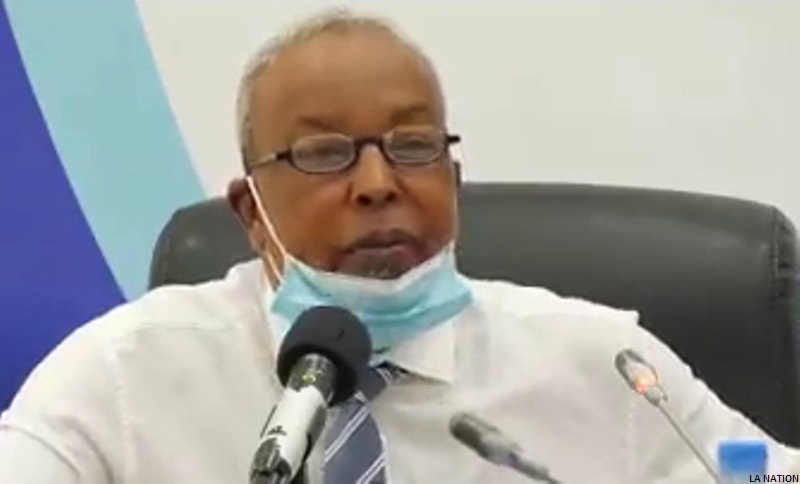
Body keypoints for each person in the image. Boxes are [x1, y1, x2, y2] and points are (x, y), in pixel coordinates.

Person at [0, 8, 797, 484]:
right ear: (251, 212)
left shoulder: (605, 367)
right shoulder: (124, 377)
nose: (378, 184)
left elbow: (763, 474)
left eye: (413, 147)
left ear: (454, 181)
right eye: (325, 154)